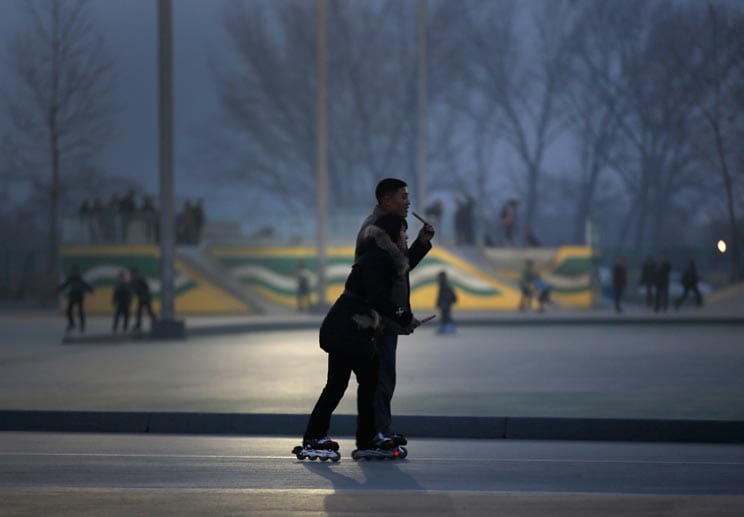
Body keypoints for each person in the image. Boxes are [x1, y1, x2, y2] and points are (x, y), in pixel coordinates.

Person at [296, 214, 421, 460]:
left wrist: (423, 243)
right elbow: (376, 297)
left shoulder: (383, 258)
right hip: (347, 328)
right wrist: (404, 317)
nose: (407, 236)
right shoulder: (377, 260)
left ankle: (325, 437)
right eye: (404, 232)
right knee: (363, 382)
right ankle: (363, 439)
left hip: (349, 328)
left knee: (347, 384)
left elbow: (403, 266)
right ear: (392, 236)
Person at [354, 178, 434, 446]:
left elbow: (398, 268)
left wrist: (421, 244)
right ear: (386, 201)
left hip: (386, 316)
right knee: (380, 378)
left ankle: (380, 431)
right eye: (403, 197)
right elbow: (376, 286)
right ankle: (376, 435)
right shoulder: (376, 232)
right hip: (378, 318)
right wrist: (401, 315)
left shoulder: (385, 228)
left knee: (383, 377)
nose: (408, 202)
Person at [57, 264, 94, 333]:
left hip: (79, 297)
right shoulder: (70, 279)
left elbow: (85, 284)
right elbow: (65, 285)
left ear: (77, 272)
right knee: (68, 311)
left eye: (74, 272)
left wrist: (90, 289)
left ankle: (82, 324)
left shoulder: (79, 279)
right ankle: (72, 324)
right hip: (73, 297)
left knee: (80, 311)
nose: (73, 273)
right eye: (72, 272)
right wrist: (59, 289)